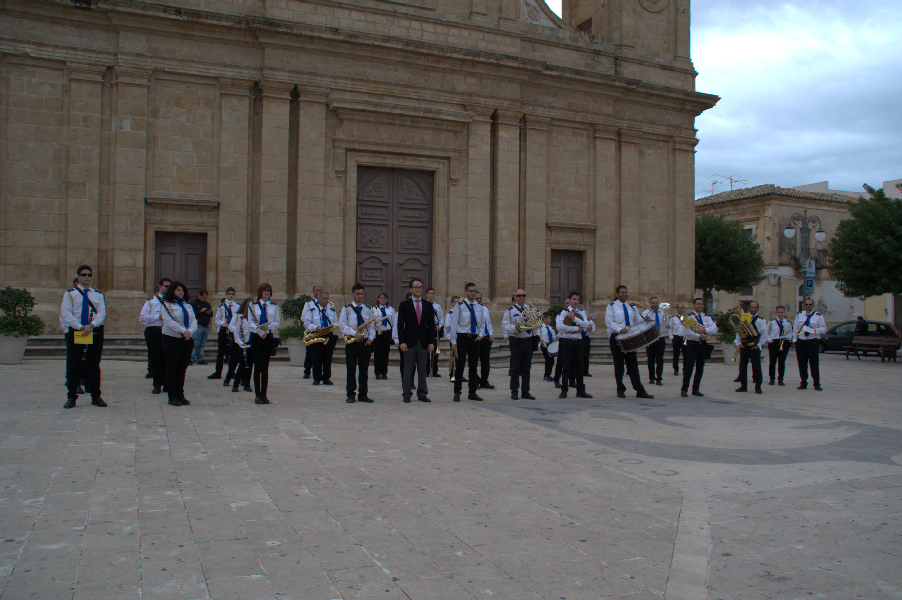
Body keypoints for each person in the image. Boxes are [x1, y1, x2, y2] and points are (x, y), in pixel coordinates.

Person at [60, 265, 107, 409]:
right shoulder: (70, 294)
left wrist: (91, 325)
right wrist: (81, 327)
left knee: (94, 364)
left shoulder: (98, 295)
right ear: (78, 277)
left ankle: (95, 396)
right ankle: (71, 397)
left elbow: (101, 313)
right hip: (77, 331)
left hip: (93, 331)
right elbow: (66, 313)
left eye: (89, 275)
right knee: (73, 364)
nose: (87, 277)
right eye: (84, 275)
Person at [605, 286, 653, 399]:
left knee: (633, 365)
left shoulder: (632, 307)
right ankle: (620, 389)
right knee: (619, 365)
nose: (624, 294)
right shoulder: (611, 306)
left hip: (630, 338)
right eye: (622, 292)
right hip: (617, 337)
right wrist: (619, 329)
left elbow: (638, 320)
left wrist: (646, 317)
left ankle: (640, 390)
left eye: (626, 292)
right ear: (617, 294)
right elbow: (609, 322)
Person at [397, 278, 436, 403]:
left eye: (420, 287)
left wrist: (432, 342)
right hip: (409, 341)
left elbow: (431, 325)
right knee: (408, 368)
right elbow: (400, 325)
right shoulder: (404, 305)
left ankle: (422, 393)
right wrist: (402, 342)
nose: (418, 289)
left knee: (423, 367)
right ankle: (406, 393)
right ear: (411, 289)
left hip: (423, 341)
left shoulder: (428, 305)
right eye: (416, 287)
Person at [160, 281, 197, 407]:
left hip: (186, 340)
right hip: (172, 339)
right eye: (178, 290)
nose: (181, 292)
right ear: (172, 291)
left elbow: (194, 321)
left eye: (182, 290)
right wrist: (183, 331)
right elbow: (168, 321)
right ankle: (172, 395)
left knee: (182, 369)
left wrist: (190, 331)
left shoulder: (187, 306)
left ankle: (180, 394)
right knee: (172, 368)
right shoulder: (166, 305)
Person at [448, 283, 485, 402]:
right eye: (470, 291)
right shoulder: (459, 305)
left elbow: (482, 324)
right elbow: (454, 323)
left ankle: (472, 392)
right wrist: (453, 340)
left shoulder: (479, 306)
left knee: (473, 366)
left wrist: (480, 335)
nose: (473, 293)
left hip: (474, 338)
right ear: (465, 292)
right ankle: (457, 392)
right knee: (460, 366)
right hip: (462, 338)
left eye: (474, 291)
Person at [340, 283, 376, 403]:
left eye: (361, 294)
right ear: (352, 294)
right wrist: (353, 333)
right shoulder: (346, 309)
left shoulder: (367, 309)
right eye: (357, 294)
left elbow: (371, 327)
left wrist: (371, 338)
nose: (360, 296)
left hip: (364, 343)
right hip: (352, 342)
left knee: (364, 370)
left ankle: (363, 394)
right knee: (351, 370)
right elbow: (342, 325)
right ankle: (350, 394)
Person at [678, 298, 718, 397]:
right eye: (698, 304)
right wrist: (698, 335)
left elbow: (714, 329)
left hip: (703, 345)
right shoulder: (688, 317)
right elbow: (687, 332)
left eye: (701, 304)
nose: (700, 305)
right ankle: (684, 389)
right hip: (692, 344)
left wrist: (704, 330)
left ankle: (696, 389)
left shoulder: (706, 318)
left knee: (700, 368)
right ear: (694, 305)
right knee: (689, 367)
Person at [502, 289, 537, 400]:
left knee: (526, 368)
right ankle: (514, 391)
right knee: (515, 368)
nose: (522, 297)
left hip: (529, 339)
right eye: (519, 295)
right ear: (515, 297)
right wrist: (515, 328)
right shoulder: (510, 310)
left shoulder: (530, 309)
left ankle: (525, 391)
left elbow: (536, 323)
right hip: (516, 340)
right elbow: (505, 325)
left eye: (524, 295)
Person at [249, 283, 280, 404]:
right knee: (257, 366)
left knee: (265, 367)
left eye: (269, 291)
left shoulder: (274, 306)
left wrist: (269, 327)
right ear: (260, 292)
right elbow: (250, 322)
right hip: (257, 337)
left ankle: (264, 394)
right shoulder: (252, 305)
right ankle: (257, 394)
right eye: (265, 290)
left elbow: (277, 321)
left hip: (268, 336)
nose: (267, 292)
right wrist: (259, 331)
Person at [556, 292, 592, 399]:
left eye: (577, 299)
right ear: (570, 300)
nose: (576, 301)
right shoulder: (564, 312)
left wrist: (574, 319)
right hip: (567, 341)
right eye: (574, 299)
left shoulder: (581, 312)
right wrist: (576, 329)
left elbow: (586, 325)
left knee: (579, 367)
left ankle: (580, 390)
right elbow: (560, 327)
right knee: (566, 366)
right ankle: (564, 390)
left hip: (579, 341)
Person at [140, 278, 170, 394]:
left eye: (169, 286)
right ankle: (157, 384)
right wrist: (158, 318)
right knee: (156, 358)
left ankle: (167, 384)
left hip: (168, 331)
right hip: (154, 330)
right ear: (160, 286)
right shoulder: (151, 302)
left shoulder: (173, 302)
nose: (167, 288)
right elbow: (142, 317)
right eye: (165, 286)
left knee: (167, 359)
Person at [734, 301, 770, 394]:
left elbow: (764, 334)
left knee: (757, 367)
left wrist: (758, 345)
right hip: (745, 346)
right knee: (742, 367)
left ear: (757, 308)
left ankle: (758, 387)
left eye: (755, 308)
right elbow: (739, 330)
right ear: (749, 308)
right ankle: (743, 386)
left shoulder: (761, 320)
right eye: (752, 307)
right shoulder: (744, 318)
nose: (753, 309)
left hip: (754, 347)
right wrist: (738, 343)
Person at [303, 291, 338, 386]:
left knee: (328, 357)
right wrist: (315, 328)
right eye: (324, 298)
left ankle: (326, 377)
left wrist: (332, 325)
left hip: (328, 334)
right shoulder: (312, 310)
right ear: (318, 299)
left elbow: (336, 322)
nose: (326, 300)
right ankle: (316, 378)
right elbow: (306, 323)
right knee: (316, 357)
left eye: (327, 298)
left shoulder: (331, 310)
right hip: (317, 335)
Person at [794, 297, 826, 391]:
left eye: (810, 304)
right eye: (806, 304)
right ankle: (803, 382)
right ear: (804, 305)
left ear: (813, 305)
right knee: (802, 363)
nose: (808, 306)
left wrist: (814, 330)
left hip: (813, 342)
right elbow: (795, 328)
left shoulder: (818, 316)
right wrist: (795, 340)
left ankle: (816, 384)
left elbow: (824, 329)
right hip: (801, 342)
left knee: (814, 364)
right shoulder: (799, 315)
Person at [225, 298, 254, 393]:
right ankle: (235, 383)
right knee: (241, 364)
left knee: (250, 364)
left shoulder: (254, 318)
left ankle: (246, 384)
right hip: (242, 344)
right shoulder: (240, 317)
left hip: (252, 344)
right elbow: (236, 331)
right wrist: (240, 342)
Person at [209, 287, 238, 381]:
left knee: (232, 352)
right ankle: (218, 372)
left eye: (232, 294)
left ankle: (232, 372)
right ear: (226, 295)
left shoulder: (237, 306)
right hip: (224, 330)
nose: (231, 295)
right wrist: (223, 323)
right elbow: (217, 320)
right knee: (221, 352)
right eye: (229, 293)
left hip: (232, 330)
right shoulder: (221, 307)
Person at [641, 296, 667, 387]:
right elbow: (642, 320)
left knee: (660, 359)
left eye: (656, 302)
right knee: (651, 359)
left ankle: (659, 378)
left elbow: (665, 322)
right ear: (651, 303)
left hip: (661, 337)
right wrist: (648, 312)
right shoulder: (646, 312)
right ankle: (651, 377)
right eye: (653, 303)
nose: (655, 304)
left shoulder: (662, 312)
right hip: (651, 339)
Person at [371, 293, 394, 380]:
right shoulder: (374, 309)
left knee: (385, 353)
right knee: (377, 353)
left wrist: (393, 334)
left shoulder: (390, 309)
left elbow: (393, 322)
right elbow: (372, 322)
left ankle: (384, 373)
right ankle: (377, 372)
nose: (383, 299)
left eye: (384, 298)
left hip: (387, 332)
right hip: (377, 332)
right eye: (381, 298)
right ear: (378, 299)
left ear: (387, 299)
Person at [768, 305, 792, 386]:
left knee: (782, 362)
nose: (780, 314)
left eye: (782, 312)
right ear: (776, 312)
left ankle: (781, 379)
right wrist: (769, 340)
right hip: (774, 342)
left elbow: (791, 334)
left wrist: (787, 337)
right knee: (772, 362)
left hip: (783, 342)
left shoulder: (788, 323)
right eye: (779, 312)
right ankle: (772, 378)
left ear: (784, 312)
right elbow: (766, 333)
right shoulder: (771, 322)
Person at [474, 291, 494, 390]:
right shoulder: (471, 309)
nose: (479, 300)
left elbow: (488, 322)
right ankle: (475, 381)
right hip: (476, 338)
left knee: (485, 362)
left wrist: (491, 334)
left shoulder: (485, 309)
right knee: (474, 361)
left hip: (485, 339)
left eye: (480, 298)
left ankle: (484, 381)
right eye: (477, 298)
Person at [302, 284, 322, 379]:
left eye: (319, 291)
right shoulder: (309, 303)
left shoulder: (326, 303)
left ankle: (318, 372)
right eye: (316, 291)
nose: (318, 292)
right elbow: (303, 317)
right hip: (312, 330)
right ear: (313, 292)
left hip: (321, 331)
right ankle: (307, 371)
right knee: (309, 352)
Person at [189, 289, 213, 365]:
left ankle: (199, 359)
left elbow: (211, 314)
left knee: (202, 344)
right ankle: (191, 359)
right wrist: (201, 311)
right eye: (203, 297)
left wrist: (209, 313)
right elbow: (192, 314)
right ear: (199, 296)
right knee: (196, 344)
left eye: (205, 298)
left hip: (206, 326)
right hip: (198, 326)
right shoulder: (193, 303)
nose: (204, 299)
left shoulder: (207, 304)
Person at [553, 296, 571, 389]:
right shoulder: (560, 315)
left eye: (569, 303)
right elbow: (560, 327)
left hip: (571, 339)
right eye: (566, 303)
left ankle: (572, 380)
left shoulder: (575, 314)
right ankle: (556, 379)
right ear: (564, 305)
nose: (568, 305)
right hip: (563, 339)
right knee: (560, 361)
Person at [426, 288, 443, 377]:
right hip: (426, 331)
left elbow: (441, 318)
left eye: (433, 293)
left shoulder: (437, 306)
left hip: (435, 330)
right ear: (426, 295)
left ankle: (434, 371)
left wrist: (439, 326)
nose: (431, 295)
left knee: (435, 351)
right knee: (426, 351)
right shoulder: (423, 305)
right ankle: (426, 370)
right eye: (429, 293)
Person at [538, 312, 556, 382]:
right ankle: (546, 375)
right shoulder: (541, 327)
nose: (550, 320)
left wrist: (556, 338)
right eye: (549, 318)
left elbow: (553, 336)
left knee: (551, 360)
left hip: (550, 345)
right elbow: (538, 337)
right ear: (545, 319)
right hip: (544, 345)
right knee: (548, 360)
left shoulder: (550, 328)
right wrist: (538, 346)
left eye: (550, 318)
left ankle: (549, 374)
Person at [669, 302, 686, 376]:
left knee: (686, 355)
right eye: (679, 307)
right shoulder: (673, 318)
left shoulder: (686, 318)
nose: (681, 309)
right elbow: (670, 328)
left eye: (682, 307)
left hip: (685, 338)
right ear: (677, 309)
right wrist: (671, 337)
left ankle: (685, 369)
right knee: (676, 355)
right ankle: (676, 369)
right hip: (676, 337)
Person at [578, 303, 593, 377]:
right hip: (579, 336)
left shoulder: (587, 319)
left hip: (586, 337)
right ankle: (579, 370)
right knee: (579, 355)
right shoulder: (578, 317)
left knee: (586, 354)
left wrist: (590, 328)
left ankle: (586, 371)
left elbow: (592, 328)